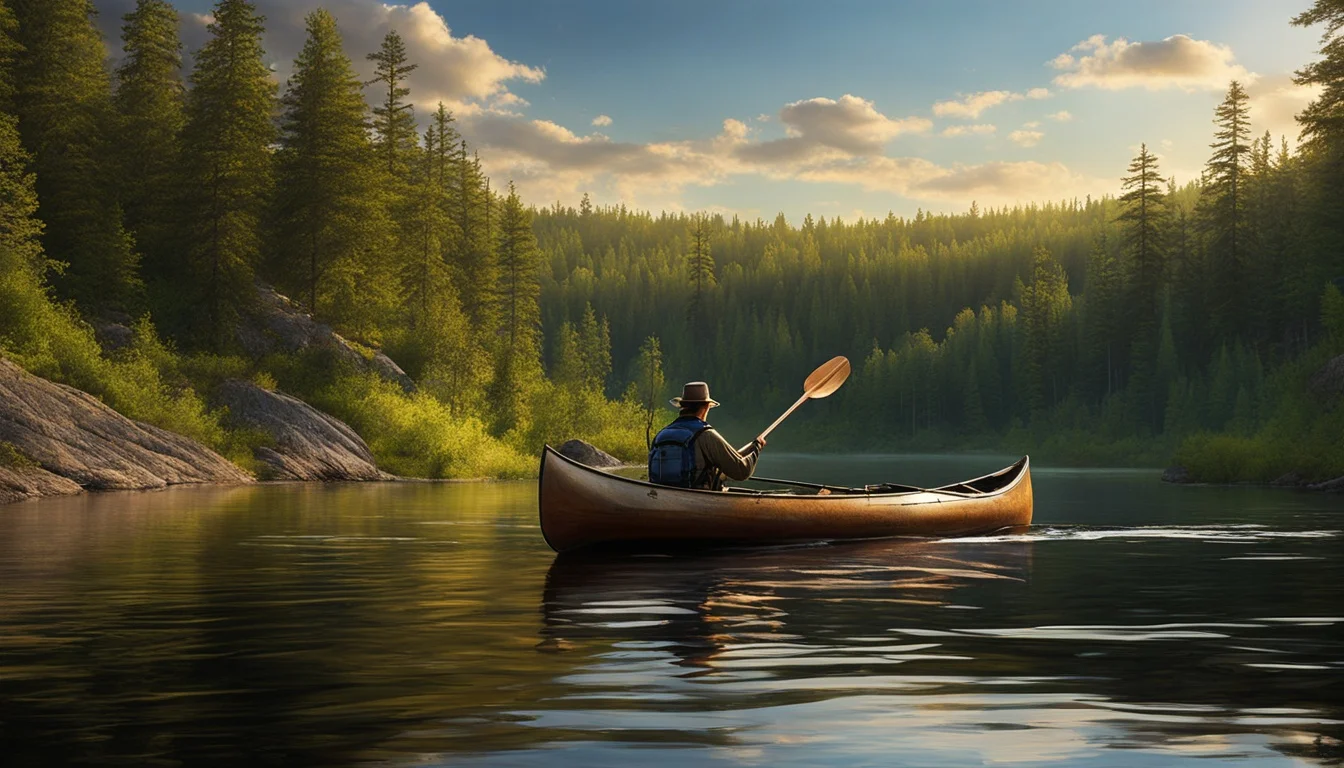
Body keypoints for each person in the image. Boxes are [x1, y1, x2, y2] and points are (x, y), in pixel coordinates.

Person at [647, 382, 765, 491]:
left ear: (682, 407)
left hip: (661, 496)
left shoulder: (661, 435)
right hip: (697, 499)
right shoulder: (706, 434)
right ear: (706, 407)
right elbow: (741, 471)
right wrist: (757, 448)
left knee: (720, 475)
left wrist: (751, 448)